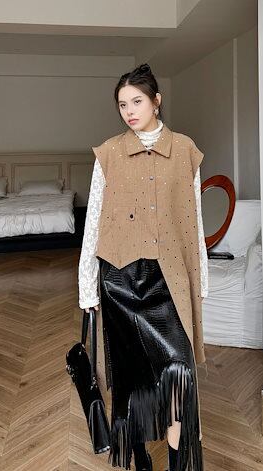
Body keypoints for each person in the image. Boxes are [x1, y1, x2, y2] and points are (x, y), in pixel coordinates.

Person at [78, 63, 209, 471]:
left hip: (168, 283)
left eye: (137, 101)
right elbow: (93, 220)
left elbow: (194, 220)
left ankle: (178, 465)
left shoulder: (184, 150)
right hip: (120, 282)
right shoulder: (109, 153)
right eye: (122, 105)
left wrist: (201, 279)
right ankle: (140, 461)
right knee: (133, 382)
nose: (129, 111)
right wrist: (87, 286)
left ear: (156, 101)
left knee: (179, 378)